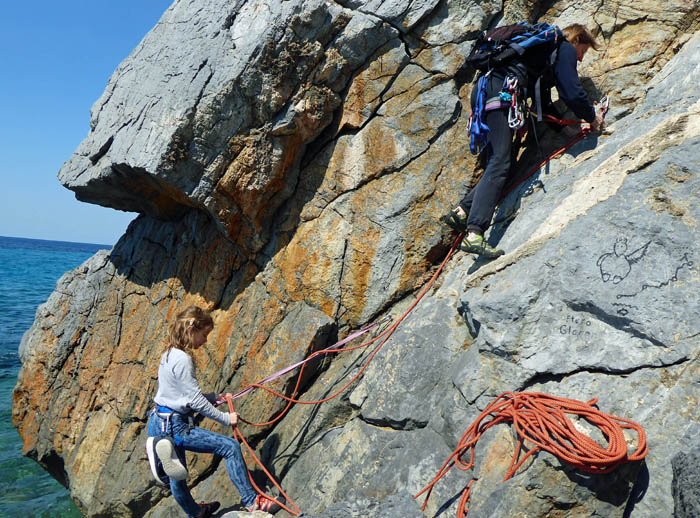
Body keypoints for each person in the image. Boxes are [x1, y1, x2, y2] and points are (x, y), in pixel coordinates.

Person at [443, 23, 605, 258]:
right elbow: (570, 91)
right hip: (503, 91)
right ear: (578, 39)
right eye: (584, 51)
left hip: (488, 89)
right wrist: (592, 117)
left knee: (502, 159)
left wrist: (560, 127)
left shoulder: (541, 54)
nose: (580, 59)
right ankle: (474, 233)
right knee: (501, 160)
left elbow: (543, 102)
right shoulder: (564, 47)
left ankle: (462, 211)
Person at [146, 306, 280, 517]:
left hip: (158, 419)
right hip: (176, 424)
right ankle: (252, 502)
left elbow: (176, 393)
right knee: (230, 447)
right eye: (204, 334)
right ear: (192, 328)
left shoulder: (169, 354)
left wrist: (211, 398)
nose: (205, 341)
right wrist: (226, 418)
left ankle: (194, 513)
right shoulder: (183, 359)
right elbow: (195, 402)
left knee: (177, 478)